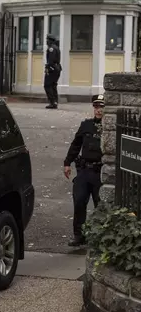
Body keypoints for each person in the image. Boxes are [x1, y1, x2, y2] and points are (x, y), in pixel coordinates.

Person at [63, 94, 105, 246]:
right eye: (96, 107)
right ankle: (78, 235)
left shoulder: (110, 127)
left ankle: (101, 237)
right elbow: (76, 145)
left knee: (100, 205)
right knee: (79, 201)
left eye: (102, 107)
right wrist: (67, 163)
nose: (98, 110)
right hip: (84, 170)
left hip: (100, 172)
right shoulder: (86, 125)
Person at [44, 34, 62, 109]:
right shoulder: (56, 48)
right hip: (57, 68)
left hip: (52, 68)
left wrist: (47, 67)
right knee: (53, 85)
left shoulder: (51, 49)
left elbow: (51, 60)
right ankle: (55, 102)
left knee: (47, 85)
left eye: (47, 40)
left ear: (50, 41)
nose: (46, 41)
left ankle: (52, 102)